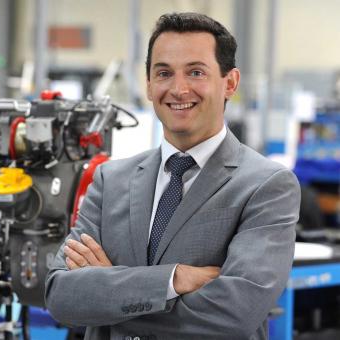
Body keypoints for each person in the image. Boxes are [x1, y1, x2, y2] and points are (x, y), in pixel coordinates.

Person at [45, 12, 300, 340]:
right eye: (163, 73)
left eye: (196, 72)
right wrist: (174, 280)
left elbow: (235, 314)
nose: (179, 89)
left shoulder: (266, 186)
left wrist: (109, 296)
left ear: (230, 83)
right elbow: (60, 296)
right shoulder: (111, 181)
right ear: (149, 86)